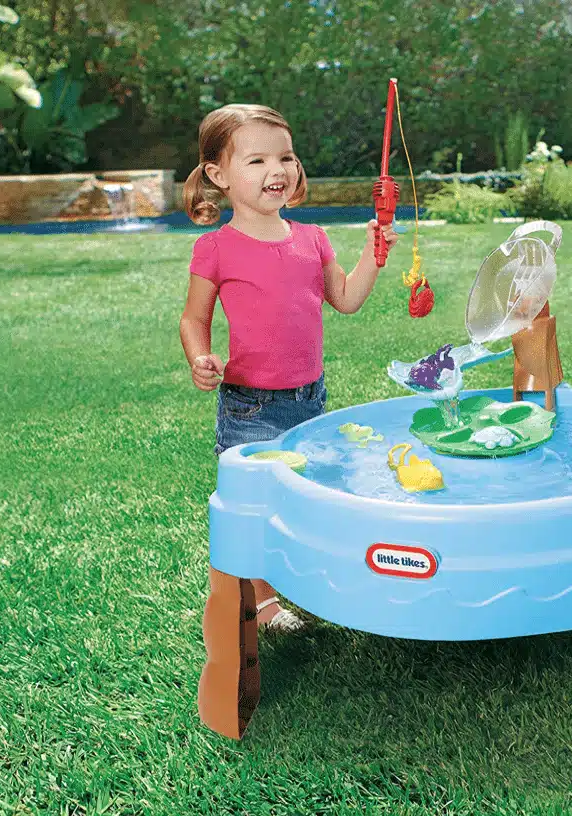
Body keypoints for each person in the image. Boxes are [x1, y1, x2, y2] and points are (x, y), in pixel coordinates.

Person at [179, 104, 398, 631]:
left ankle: (308, 580)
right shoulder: (215, 249)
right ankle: (264, 600)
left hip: (310, 398)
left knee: (310, 495)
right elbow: (192, 319)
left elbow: (344, 299)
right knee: (256, 505)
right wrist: (200, 357)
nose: (277, 171)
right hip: (250, 404)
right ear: (218, 175)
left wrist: (374, 254)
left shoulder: (312, 239)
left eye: (286, 157)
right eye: (256, 160)